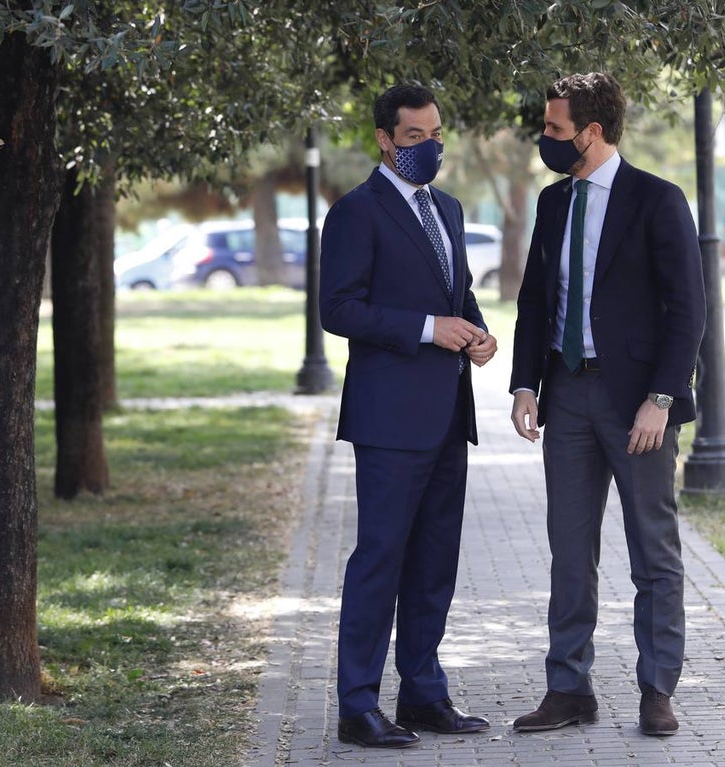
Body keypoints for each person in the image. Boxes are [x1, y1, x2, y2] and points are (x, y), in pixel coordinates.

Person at [508, 72, 706, 738]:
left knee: (653, 550)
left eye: (556, 129)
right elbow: (536, 299)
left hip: (636, 406)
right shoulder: (552, 202)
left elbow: (689, 310)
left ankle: (657, 688)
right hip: (565, 394)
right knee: (569, 549)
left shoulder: (657, 200)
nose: (546, 139)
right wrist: (525, 382)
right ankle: (568, 687)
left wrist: (661, 398)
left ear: (592, 132)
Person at [319, 83, 497, 750]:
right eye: (414, 138)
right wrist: (428, 328)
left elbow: (460, 293)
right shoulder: (356, 213)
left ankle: (423, 692)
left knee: (434, 561)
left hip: (450, 413)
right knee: (381, 559)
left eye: (436, 134)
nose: (429, 147)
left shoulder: (447, 210)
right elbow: (337, 309)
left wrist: (478, 334)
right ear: (385, 141)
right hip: (389, 419)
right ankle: (357, 704)